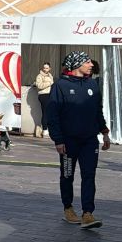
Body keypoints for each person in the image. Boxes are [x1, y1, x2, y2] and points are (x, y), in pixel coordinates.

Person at [45, 51, 110, 229]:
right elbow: (53, 115)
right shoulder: (60, 86)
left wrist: (104, 132)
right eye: (87, 62)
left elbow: (98, 111)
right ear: (76, 65)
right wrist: (58, 140)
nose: (91, 65)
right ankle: (68, 208)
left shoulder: (93, 85)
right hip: (68, 142)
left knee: (89, 175)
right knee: (67, 175)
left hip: (89, 140)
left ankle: (88, 213)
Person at [34, 62, 54, 138]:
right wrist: (49, 83)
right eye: (44, 68)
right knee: (45, 112)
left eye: (47, 68)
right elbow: (39, 85)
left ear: (49, 68)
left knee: (49, 113)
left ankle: (48, 129)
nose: (45, 69)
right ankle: (45, 130)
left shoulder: (50, 75)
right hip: (43, 95)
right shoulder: (39, 76)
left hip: (49, 95)